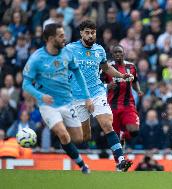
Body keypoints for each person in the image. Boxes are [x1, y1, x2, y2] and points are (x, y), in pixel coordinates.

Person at [22, 23, 93, 174]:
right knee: (63, 133)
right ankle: (82, 164)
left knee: (79, 138)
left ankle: (62, 138)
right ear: (50, 39)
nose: (64, 38)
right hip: (48, 105)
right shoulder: (36, 59)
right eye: (61, 36)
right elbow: (26, 84)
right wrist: (41, 96)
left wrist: (87, 97)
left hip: (67, 102)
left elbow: (78, 73)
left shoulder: (67, 53)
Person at [66, 20, 133, 171]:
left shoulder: (99, 50)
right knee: (84, 136)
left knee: (107, 124)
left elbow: (106, 68)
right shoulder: (70, 49)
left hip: (96, 93)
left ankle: (121, 160)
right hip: (77, 97)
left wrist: (121, 76)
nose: (91, 36)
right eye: (87, 33)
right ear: (81, 33)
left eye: (93, 33)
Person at [102, 45, 143, 146]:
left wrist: (138, 90)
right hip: (112, 105)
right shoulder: (107, 68)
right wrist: (107, 86)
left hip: (128, 104)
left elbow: (135, 80)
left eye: (120, 52)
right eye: (115, 52)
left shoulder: (131, 67)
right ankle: (119, 158)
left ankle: (123, 134)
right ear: (112, 54)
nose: (118, 54)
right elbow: (97, 84)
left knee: (134, 130)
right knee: (114, 138)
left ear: (124, 53)